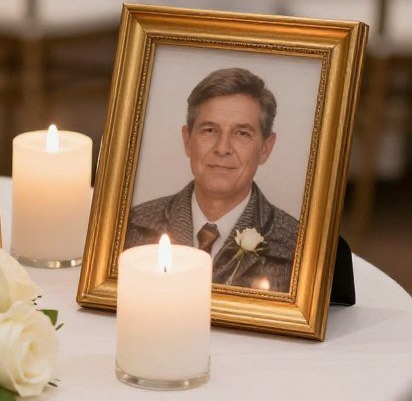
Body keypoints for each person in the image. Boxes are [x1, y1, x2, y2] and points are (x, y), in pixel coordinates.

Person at [124, 67, 299, 292]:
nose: (222, 148)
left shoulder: (297, 247)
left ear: (265, 148)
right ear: (187, 140)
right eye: (209, 131)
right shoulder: (131, 226)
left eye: (242, 133)